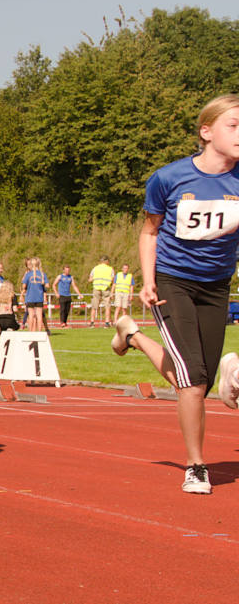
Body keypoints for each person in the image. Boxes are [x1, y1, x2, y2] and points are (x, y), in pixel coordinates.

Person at [113, 94, 239, 495]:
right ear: (207, 132)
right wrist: (147, 281)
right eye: (233, 125)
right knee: (195, 381)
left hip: (217, 285)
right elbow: (149, 232)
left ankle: (131, 336)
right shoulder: (168, 178)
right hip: (172, 282)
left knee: (193, 373)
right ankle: (196, 465)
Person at [20, 257, 48, 332]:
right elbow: (47, 285)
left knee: (31, 315)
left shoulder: (28, 274)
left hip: (30, 297)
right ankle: (39, 332)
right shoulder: (42, 274)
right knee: (39, 315)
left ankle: (31, 332)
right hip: (39, 297)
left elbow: (23, 286)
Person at [88, 255, 114, 327]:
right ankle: (107, 323)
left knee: (94, 306)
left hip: (96, 288)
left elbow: (90, 279)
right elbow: (112, 279)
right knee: (107, 306)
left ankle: (92, 323)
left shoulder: (95, 268)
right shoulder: (110, 269)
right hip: (106, 289)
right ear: (106, 261)